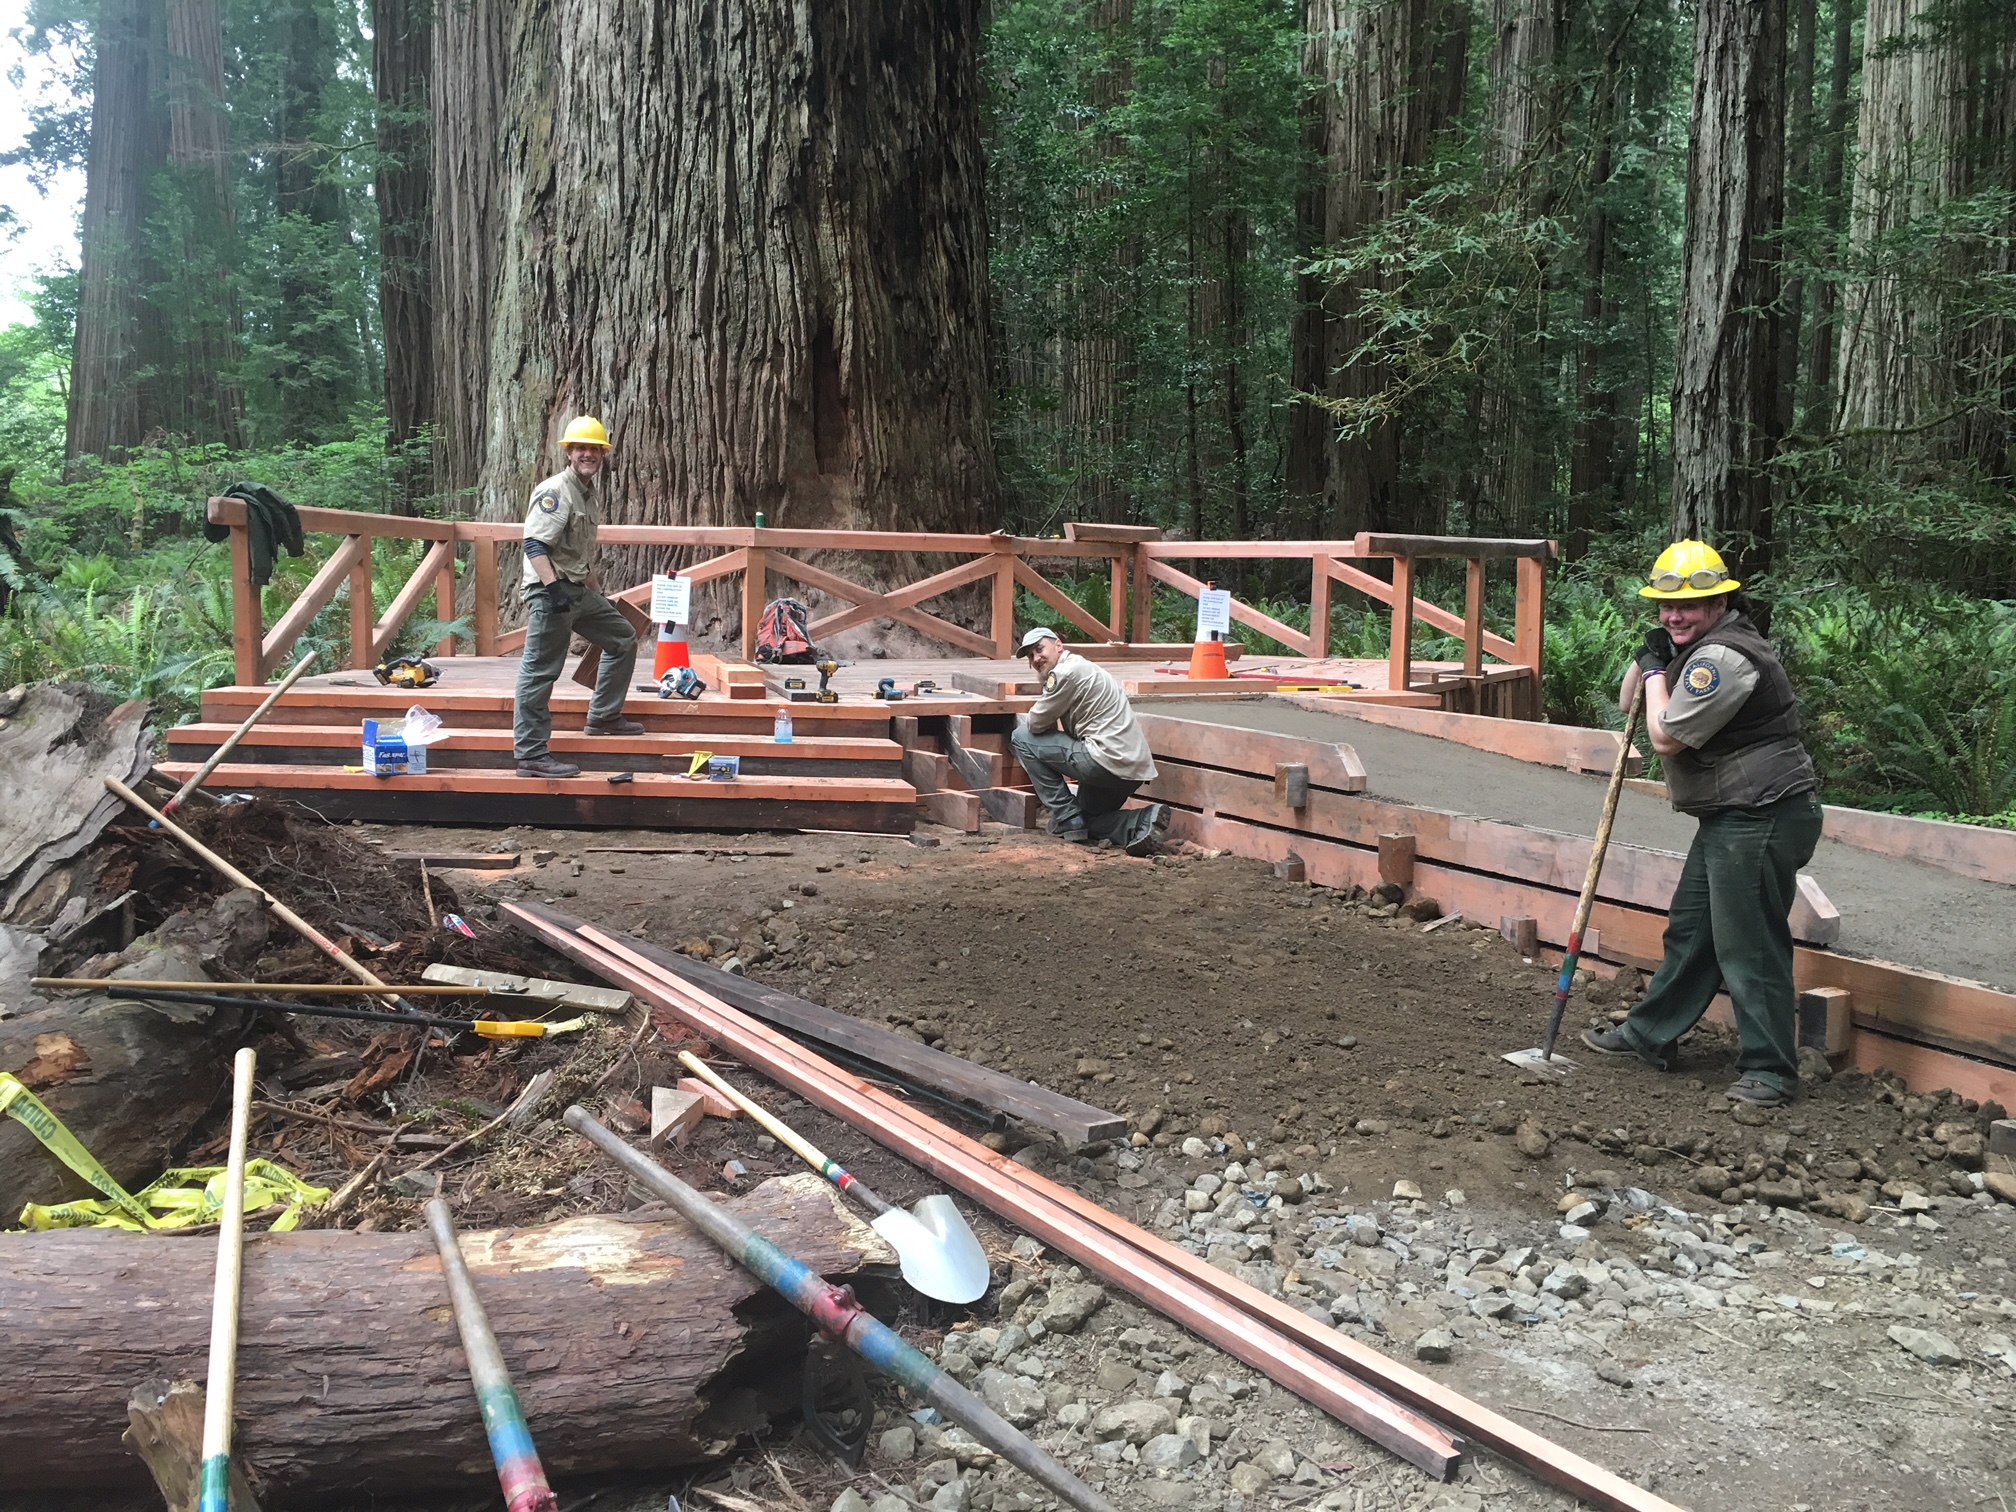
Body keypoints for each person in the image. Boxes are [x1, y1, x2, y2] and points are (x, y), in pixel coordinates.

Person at [1579, 540, 1822, 1107]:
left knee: (1750, 943)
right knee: (1692, 929)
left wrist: (1661, 666)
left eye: (1689, 605)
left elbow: (1664, 734)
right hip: (1731, 814)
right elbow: (1628, 704)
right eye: (1666, 608)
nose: (1674, 616)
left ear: (1719, 602)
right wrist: (1648, 660)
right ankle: (1649, 1033)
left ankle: (1770, 1070)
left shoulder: (1725, 659)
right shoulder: (1691, 647)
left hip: (1763, 813)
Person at [513, 415, 642, 778]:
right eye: (580, 448)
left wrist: (599, 594)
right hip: (550, 592)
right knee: (541, 671)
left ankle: (604, 716)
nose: (588, 454)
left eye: (594, 449)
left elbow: (579, 551)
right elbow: (535, 544)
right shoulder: (556, 491)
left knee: (622, 636)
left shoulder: (588, 492)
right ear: (568, 452)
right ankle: (531, 755)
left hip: (576, 589)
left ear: (602, 454)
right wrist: (552, 589)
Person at [1009, 626, 1171, 856]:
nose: (1036, 658)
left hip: (1103, 760)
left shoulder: (1065, 673)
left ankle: (1066, 815)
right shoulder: (1082, 666)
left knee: (1022, 737)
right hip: (1133, 770)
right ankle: (1140, 821)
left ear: (1059, 645)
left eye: (1039, 649)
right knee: (1086, 820)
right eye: (1030, 655)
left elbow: (1035, 724)